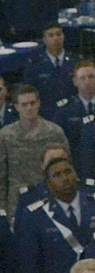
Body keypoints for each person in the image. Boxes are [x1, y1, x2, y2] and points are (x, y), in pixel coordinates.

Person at [0, 83, 68, 217]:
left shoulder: (54, 132)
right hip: (18, 205)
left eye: (32, 103)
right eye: (24, 104)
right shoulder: (5, 136)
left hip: (52, 201)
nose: (29, 108)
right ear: (16, 107)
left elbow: (67, 168)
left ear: (39, 103)